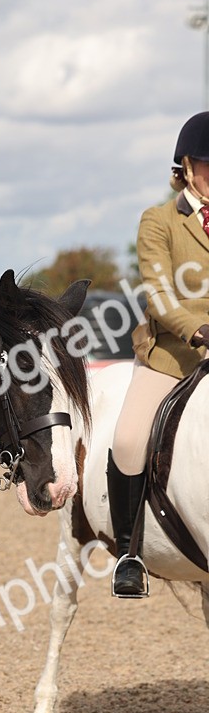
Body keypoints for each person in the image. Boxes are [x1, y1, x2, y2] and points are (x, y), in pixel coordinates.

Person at [109, 111, 209, 597]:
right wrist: (199, 329)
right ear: (186, 168)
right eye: (207, 165)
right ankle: (129, 552)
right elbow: (158, 294)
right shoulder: (159, 221)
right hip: (173, 352)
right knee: (129, 439)